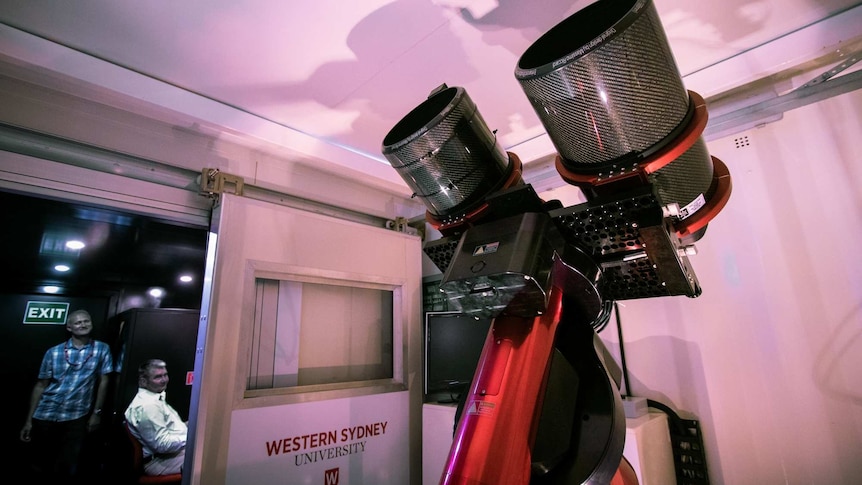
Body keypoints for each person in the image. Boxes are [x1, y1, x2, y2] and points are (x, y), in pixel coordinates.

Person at [19, 308, 114, 481]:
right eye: (78, 322)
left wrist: (96, 413)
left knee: (69, 465)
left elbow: (104, 381)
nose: (83, 325)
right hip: (46, 413)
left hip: (76, 415)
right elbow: (41, 385)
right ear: (69, 327)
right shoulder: (54, 352)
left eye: (86, 321)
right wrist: (28, 420)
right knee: (39, 463)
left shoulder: (101, 349)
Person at [125, 359, 187, 476]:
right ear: (143, 381)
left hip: (171, 453)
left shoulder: (154, 397)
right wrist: (193, 438)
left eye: (165, 375)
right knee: (208, 460)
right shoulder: (148, 406)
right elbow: (162, 445)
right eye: (158, 377)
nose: (164, 380)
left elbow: (169, 428)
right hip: (158, 460)